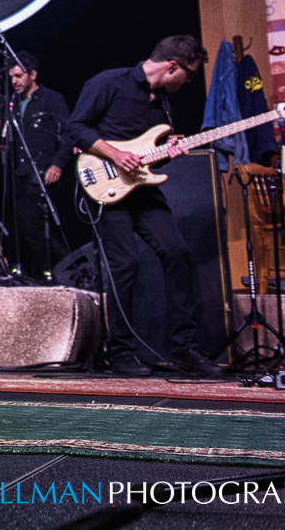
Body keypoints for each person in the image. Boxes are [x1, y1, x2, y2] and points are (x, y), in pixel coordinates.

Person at [65, 34, 220, 377]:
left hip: (142, 190)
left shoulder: (162, 103)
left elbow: (148, 159)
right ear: (172, 66)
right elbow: (75, 127)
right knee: (125, 265)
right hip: (104, 186)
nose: (190, 81)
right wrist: (117, 155)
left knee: (177, 252)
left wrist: (170, 149)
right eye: (190, 74)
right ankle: (120, 353)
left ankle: (185, 348)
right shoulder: (109, 82)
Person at [0, 53, 72, 280]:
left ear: (33, 74)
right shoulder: (12, 105)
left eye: (18, 75)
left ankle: (66, 270)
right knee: (24, 229)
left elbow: (69, 134)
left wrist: (58, 164)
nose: (14, 81)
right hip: (20, 173)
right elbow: (4, 140)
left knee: (38, 227)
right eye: (11, 77)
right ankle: (36, 275)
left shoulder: (52, 98)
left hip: (43, 169)